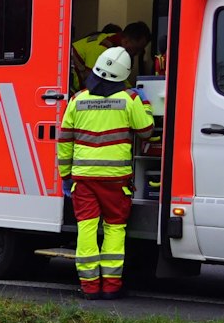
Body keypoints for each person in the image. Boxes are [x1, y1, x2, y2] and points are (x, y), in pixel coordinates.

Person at [57, 46, 155, 301]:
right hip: (116, 180)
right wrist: (144, 103)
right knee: (114, 229)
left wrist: (66, 176)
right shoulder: (129, 100)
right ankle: (111, 287)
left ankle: (89, 287)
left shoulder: (77, 100)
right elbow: (146, 131)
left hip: (84, 179)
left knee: (87, 229)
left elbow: (64, 142)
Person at [71, 22, 151, 91]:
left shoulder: (114, 44)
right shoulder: (102, 48)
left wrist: (131, 90)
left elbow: (119, 76)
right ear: (126, 41)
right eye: (137, 49)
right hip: (70, 86)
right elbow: (94, 81)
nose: (137, 53)